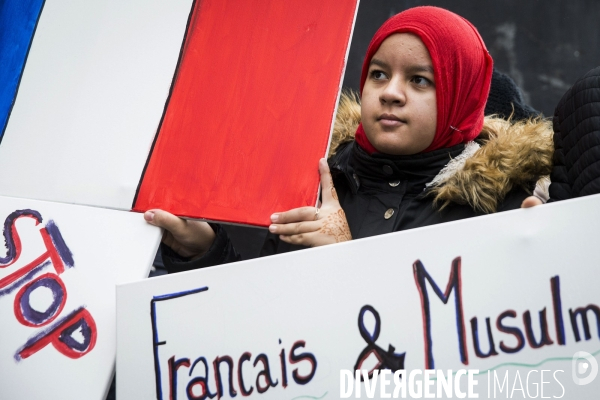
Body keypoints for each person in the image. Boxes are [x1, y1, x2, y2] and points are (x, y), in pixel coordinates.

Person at [144, 6, 554, 273]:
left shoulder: (504, 208)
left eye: (419, 80)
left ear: (460, 98)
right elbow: (257, 346)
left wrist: (345, 262)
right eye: (379, 73)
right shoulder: (319, 180)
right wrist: (202, 252)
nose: (390, 92)